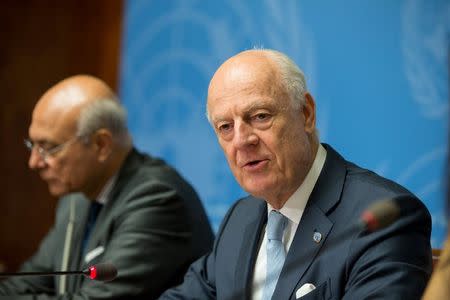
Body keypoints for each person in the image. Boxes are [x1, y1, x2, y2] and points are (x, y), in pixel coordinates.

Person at [159, 49, 432, 299]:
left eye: (260, 116)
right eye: (225, 127)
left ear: (306, 113)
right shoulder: (240, 218)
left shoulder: (382, 219)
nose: (242, 140)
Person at [0, 75, 214, 299]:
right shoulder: (77, 198)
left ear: (101, 145)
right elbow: (29, 282)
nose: (34, 162)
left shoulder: (157, 199)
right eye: (32, 145)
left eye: (49, 148)